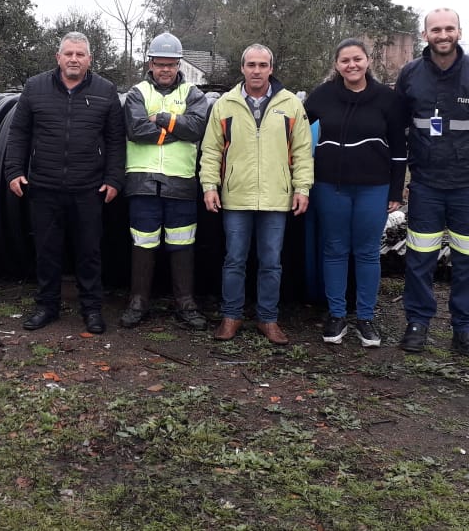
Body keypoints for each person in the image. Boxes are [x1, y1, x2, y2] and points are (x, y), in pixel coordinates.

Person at [395, 8, 469, 358]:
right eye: (435, 30)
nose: (442, 35)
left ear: (459, 31)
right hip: (427, 181)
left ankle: (464, 328)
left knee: (467, 257)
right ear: (425, 34)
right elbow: (401, 120)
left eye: (449, 29)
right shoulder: (411, 74)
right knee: (420, 255)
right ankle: (417, 322)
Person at [4, 32, 125, 334]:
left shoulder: (105, 91)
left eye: (80, 54)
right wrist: (14, 170)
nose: (74, 59)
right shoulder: (35, 88)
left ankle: (92, 309)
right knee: (47, 250)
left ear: (89, 59)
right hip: (44, 186)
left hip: (88, 187)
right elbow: (19, 132)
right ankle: (47, 306)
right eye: (68, 54)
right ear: (58, 57)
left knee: (89, 251)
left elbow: (115, 141)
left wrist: (113, 179)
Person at [199, 44, 313, 344]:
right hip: (236, 196)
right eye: (251, 64)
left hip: (277, 197)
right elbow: (210, 150)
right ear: (242, 68)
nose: (257, 70)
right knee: (234, 259)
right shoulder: (225, 105)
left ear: (271, 68)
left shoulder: (290, 104)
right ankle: (231, 316)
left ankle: (268, 319)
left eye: (263, 65)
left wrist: (302, 188)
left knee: (271, 262)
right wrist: (210, 186)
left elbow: (303, 152)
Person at [304, 38, 408, 348]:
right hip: (329, 187)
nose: (352, 65)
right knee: (335, 249)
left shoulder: (386, 99)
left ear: (367, 62)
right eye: (345, 60)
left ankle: (365, 317)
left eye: (357, 59)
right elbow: (296, 135)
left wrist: (395, 189)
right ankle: (336, 314)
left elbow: (400, 150)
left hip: (373, 188)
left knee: (366, 252)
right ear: (336, 65)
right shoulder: (321, 97)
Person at [119, 32, 210, 330]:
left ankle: (185, 303)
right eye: (160, 64)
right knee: (142, 242)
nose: (165, 70)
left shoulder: (194, 94)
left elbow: (197, 127)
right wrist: (175, 128)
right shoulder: (137, 93)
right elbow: (135, 129)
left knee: (182, 242)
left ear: (178, 64)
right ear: (151, 64)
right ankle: (138, 302)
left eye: (171, 64)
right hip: (143, 182)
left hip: (180, 183)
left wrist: (159, 119)